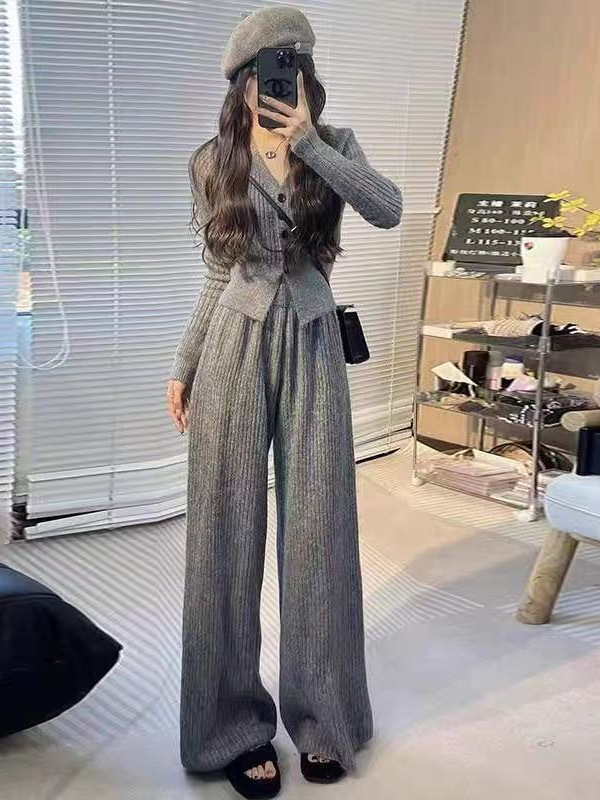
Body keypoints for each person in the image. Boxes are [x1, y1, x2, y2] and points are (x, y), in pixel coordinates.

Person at [166, 6, 402, 798]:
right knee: (225, 534)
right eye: (267, 73)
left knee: (320, 535)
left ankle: (324, 719)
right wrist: (184, 364)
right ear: (240, 83)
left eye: (293, 70)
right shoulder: (212, 161)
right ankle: (231, 728)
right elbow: (215, 272)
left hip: (312, 343)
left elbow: (388, 208)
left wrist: (307, 143)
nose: (279, 84)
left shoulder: (334, 146)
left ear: (306, 78)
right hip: (233, 345)